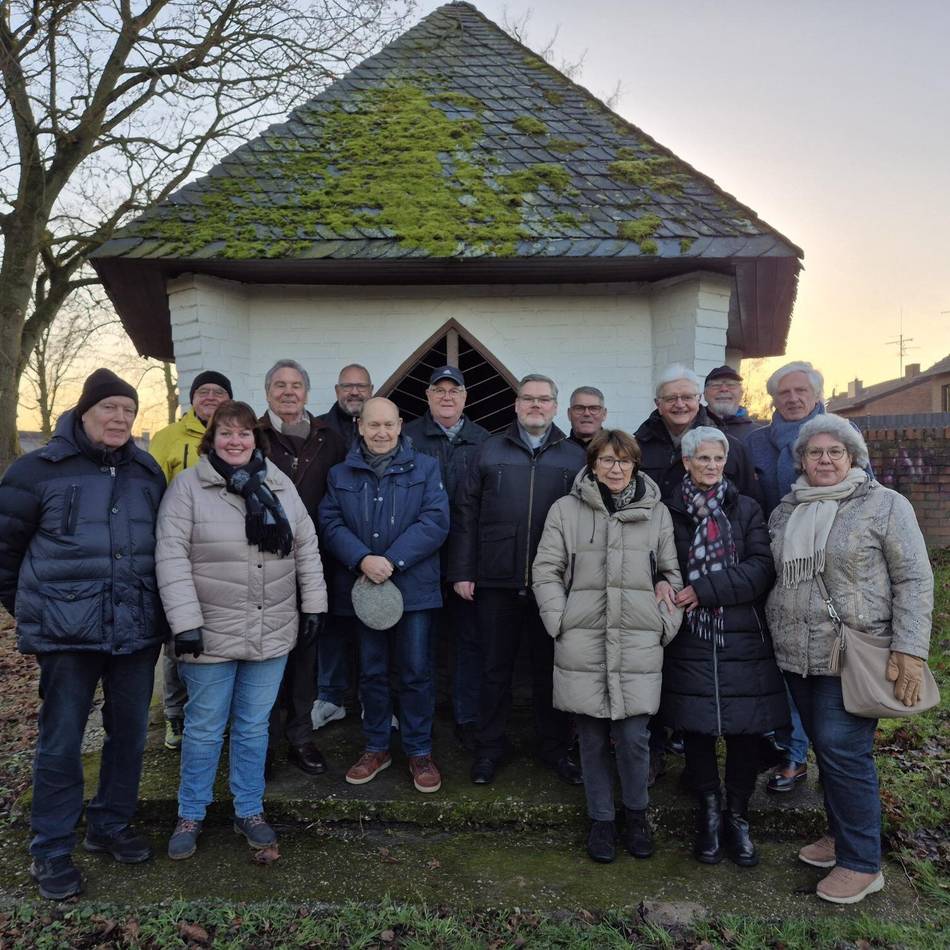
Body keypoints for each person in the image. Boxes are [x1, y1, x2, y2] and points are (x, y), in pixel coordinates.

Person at [0, 369, 166, 900]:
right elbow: (4, 554)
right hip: (66, 636)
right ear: (85, 411)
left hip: (136, 630)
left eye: (129, 411)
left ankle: (109, 824)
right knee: (61, 742)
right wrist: (41, 612)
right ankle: (49, 848)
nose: (120, 419)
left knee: (129, 736)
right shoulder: (35, 471)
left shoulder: (146, 471)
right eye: (110, 409)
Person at [766, 414, 933, 904]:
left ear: (853, 457)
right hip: (797, 651)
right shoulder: (786, 510)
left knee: (844, 751)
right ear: (801, 460)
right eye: (815, 453)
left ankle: (862, 863)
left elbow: (914, 580)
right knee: (826, 750)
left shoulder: (885, 506)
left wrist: (910, 647)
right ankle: (841, 837)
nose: (824, 460)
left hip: (854, 652)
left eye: (835, 452)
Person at [156, 401, 327, 860]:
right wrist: (185, 622)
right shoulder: (188, 488)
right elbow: (170, 558)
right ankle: (191, 812)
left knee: (253, 728)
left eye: (244, 433)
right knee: (205, 728)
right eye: (226, 433)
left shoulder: (278, 484)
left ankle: (248, 809)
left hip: (271, 628)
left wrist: (314, 606)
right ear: (212, 438)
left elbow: (306, 546)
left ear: (256, 438)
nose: (236, 441)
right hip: (208, 632)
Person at [533, 429, 682, 864]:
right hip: (583, 640)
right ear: (592, 464)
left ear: (635, 465)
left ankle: (636, 815)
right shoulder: (566, 510)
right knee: (591, 739)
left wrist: (664, 623)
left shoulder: (656, 513)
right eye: (606, 460)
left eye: (624, 461)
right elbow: (546, 570)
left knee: (634, 737)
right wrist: (558, 620)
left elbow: (671, 575)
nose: (615, 469)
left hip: (637, 641)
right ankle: (601, 820)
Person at [448, 374, 587, 786]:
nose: (536, 406)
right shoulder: (489, 450)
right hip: (495, 581)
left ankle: (554, 748)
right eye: (528, 399)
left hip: (554, 584)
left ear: (556, 407)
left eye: (544, 400)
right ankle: (490, 747)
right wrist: (462, 571)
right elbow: (465, 512)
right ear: (515, 404)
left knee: (552, 668)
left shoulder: (574, 457)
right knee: (494, 669)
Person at [660, 427, 788, 867]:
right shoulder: (669, 509)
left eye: (718, 459)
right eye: (703, 459)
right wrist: (665, 581)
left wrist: (706, 589)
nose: (712, 466)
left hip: (741, 632)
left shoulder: (747, 508)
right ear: (686, 462)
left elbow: (760, 568)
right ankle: (709, 814)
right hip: (688, 633)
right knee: (695, 727)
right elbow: (658, 560)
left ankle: (738, 816)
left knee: (744, 729)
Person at [635, 363, 759, 781]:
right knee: (661, 675)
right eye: (671, 398)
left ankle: (697, 764)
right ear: (658, 404)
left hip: (719, 592)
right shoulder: (642, 443)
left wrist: (716, 584)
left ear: (699, 399)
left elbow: (743, 510)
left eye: (687, 396)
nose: (680, 404)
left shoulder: (729, 445)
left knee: (707, 680)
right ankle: (654, 751)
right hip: (667, 580)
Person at [319, 398, 449, 793]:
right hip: (365, 590)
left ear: (400, 426)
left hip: (413, 590)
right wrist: (362, 559)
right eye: (373, 425)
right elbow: (329, 521)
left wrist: (391, 560)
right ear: (360, 426)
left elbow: (437, 519)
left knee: (414, 672)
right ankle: (376, 746)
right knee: (372, 672)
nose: (381, 432)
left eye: (388, 425)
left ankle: (419, 750)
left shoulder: (426, 468)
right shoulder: (341, 473)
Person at [745, 360, 829, 793]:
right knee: (775, 663)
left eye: (801, 391)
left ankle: (801, 755)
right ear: (773, 399)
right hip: (770, 568)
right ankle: (784, 745)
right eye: (784, 392)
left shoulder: (835, 437)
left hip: (821, 573)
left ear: (816, 395)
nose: (793, 398)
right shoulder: (756, 443)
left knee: (812, 667)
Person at [258, 360, 345, 775]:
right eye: (280, 385)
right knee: (267, 656)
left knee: (306, 655)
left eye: (296, 385)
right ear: (268, 392)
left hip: (317, 563)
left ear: (308, 393)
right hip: (264, 565)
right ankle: (266, 742)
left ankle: (301, 736)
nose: (288, 392)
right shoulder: (251, 436)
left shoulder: (331, 439)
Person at [404, 366, 490, 749]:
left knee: (467, 642)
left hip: (465, 561)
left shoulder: (485, 441)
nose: (446, 397)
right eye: (438, 390)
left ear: (466, 397)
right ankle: (416, 717)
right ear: (427, 396)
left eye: (454, 391)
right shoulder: (407, 438)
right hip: (417, 560)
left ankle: (466, 716)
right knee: (416, 646)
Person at [149, 370, 233, 752]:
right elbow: (150, 495)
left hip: (224, 559)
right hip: (182, 551)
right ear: (192, 398)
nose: (211, 397)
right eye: (204, 391)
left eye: (219, 391)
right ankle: (175, 715)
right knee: (178, 639)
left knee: (219, 640)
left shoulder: (235, 439)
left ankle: (219, 715)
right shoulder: (168, 438)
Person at [317, 363, 374, 451]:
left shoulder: (390, 429)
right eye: (347, 386)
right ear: (337, 390)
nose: (354, 392)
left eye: (361, 386)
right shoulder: (315, 428)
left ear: (371, 390)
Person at [702, 366, 760, 442]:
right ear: (704, 394)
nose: (724, 389)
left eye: (731, 385)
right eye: (716, 385)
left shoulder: (758, 434)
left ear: (741, 393)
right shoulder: (689, 427)